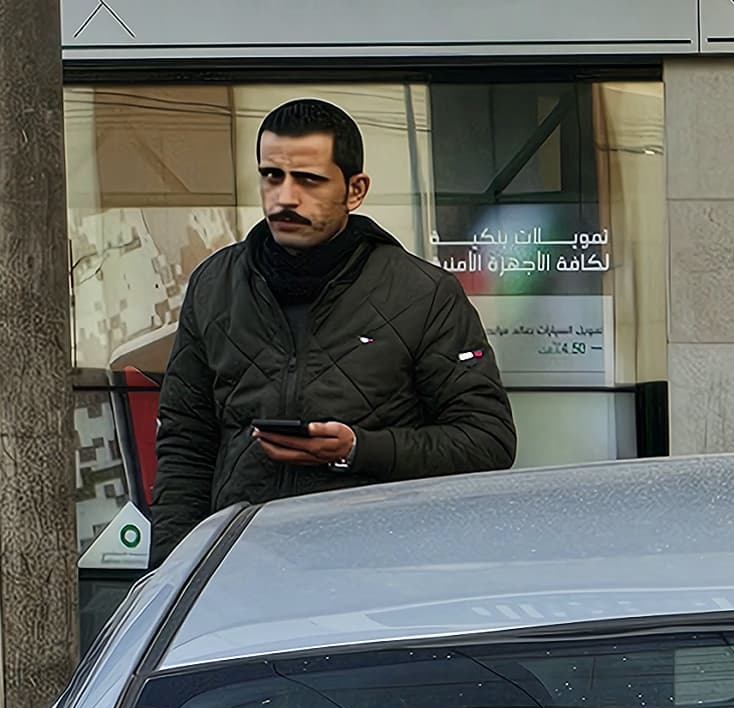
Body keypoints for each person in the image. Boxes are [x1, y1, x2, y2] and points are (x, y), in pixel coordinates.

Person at [149, 98, 516, 560]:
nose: (285, 197)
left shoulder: (422, 293)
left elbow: (487, 441)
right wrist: (171, 570)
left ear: (355, 190)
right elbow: (185, 442)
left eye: (309, 179)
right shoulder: (215, 285)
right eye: (272, 176)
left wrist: (358, 449)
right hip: (245, 566)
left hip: (378, 569)